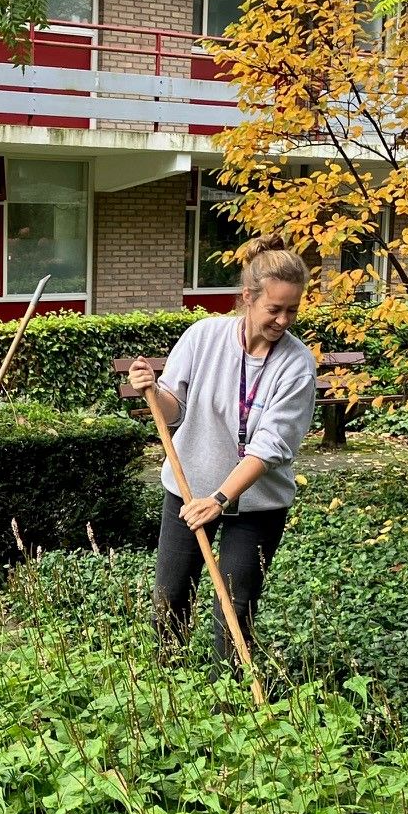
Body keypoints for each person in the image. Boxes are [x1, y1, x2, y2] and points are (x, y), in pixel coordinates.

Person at [128, 238, 317, 661]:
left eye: (293, 310)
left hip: (257, 505)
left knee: (235, 606)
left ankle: (227, 702)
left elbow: (269, 446)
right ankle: (170, 686)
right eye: (274, 309)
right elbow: (173, 409)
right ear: (248, 298)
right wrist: (151, 391)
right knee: (171, 598)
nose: (284, 320)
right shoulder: (203, 337)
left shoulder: (297, 363)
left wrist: (220, 498)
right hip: (188, 489)